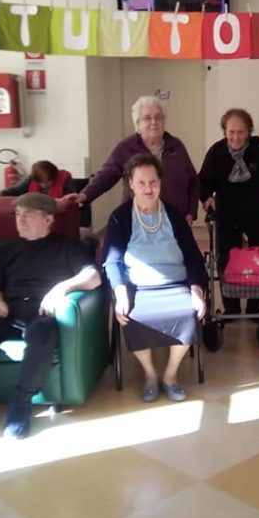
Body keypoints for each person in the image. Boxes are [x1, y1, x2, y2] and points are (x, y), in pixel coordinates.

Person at [0, 193, 101, 440]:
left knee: (42, 332)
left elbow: (93, 277)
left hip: (41, 314)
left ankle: (20, 403)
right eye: (18, 215)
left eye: (28, 215)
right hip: (7, 315)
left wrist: (61, 288)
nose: (21, 221)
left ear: (48, 219)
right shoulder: (8, 252)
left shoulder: (67, 246)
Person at [103, 154, 208, 403]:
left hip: (175, 283)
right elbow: (112, 261)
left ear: (161, 182)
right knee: (131, 315)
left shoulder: (173, 215)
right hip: (138, 287)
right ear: (131, 183)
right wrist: (120, 293)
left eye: (153, 182)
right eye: (142, 183)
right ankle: (150, 375)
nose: (148, 188)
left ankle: (170, 375)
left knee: (189, 313)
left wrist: (196, 289)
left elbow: (193, 256)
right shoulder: (120, 217)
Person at [199, 108, 259, 327]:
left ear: (249, 131)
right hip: (227, 213)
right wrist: (206, 197)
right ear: (224, 131)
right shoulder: (217, 152)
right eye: (231, 132)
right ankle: (231, 307)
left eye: (241, 132)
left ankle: (255, 308)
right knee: (226, 258)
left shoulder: (257, 146)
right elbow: (204, 179)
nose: (236, 137)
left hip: (256, 210)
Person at [64, 95, 200, 224]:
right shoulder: (126, 148)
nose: (154, 122)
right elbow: (106, 175)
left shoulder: (176, 146)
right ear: (137, 124)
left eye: (158, 117)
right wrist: (85, 195)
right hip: (138, 220)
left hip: (174, 219)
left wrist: (191, 212)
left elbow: (193, 180)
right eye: (147, 118)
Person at [0, 160, 76, 199]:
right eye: (40, 183)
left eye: (47, 182)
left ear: (54, 177)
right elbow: (15, 190)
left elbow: (71, 200)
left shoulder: (65, 178)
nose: (43, 185)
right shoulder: (33, 178)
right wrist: (1, 193)